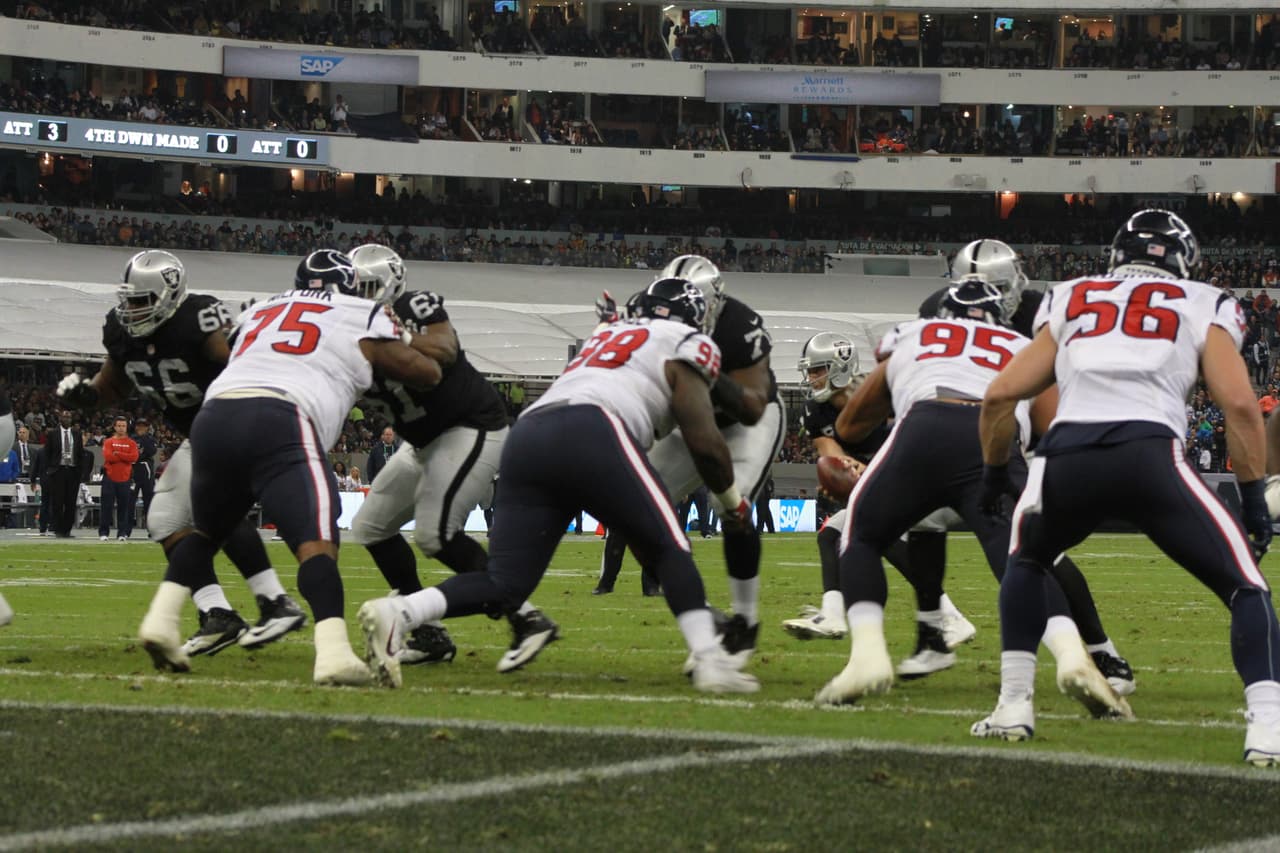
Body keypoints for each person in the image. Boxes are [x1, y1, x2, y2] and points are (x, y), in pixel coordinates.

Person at [974, 210, 1280, 766]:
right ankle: (1269, 728)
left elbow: (999, 395)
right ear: (1186, 259)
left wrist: (996, 473)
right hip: (1149, 454)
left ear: (1117, 254)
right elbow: (1239, 404)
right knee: (1245, 587)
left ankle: (1013, 706)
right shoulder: (1204, 301)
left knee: (1027, 562)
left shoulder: (1070, 295)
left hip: (1068, 457)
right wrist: (1255, 499)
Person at [357, 277, 758, 693]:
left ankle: (400, 613)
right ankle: (709, 659)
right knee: (670, 544)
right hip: (595, 426)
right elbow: (702, 438)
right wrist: (731, 501)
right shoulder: (687, 340)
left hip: (531, 432)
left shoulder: (608, 333)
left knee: (505, 583)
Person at [814, 278, 1126, 713]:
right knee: (1025, 557)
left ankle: (867, 657)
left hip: (924, 428)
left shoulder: (917, 333)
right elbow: (1054, 424)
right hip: (991, 441)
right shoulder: (1020, 345)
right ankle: (1073, 655)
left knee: (860, 536)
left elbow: (849, 425)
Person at [136, 249, 443, 685]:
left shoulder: (262, 307)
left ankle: (161, 620)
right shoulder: (361, 310)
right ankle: (333, 653)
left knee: (209, 531)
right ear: (349, 285)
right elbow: (426, 373)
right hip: (283, 415)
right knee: (317, 543)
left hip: (215, 414)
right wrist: (402, 346)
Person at [57, 249, 306, 655]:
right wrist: (86, 397)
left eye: (142, 301)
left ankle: (275, 601)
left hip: (235, 420)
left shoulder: (199, 318)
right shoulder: (120, 331)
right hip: (202, 432)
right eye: (128, 301)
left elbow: (246, 364)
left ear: (170, 295)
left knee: (215, 510)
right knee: (166, 520)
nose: (132, 310)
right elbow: (113, 386)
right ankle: (218, 613)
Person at [917, 239, 1134, 690]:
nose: (983, 301)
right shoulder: (937, 309)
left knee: (1036, 546)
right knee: (916, 521)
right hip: (974, 436)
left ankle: (1102, 652)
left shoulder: (1043, 313)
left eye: (994, 290)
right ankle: (934, 629)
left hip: (1036, 437)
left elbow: (1051, 403)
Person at [596, 256, 784, 673]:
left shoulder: (738, 324)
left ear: (713, 304)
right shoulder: (645, 309)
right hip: (686, 423)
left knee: (731, 508)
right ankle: (708, 618)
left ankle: (745, 621)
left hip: (743, 423)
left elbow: (753, 406)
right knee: (634, 508)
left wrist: (707, 372)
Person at [346, 244, 515, 667]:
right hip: (419, 442)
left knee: (435, 535)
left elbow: (445, 350)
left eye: (368, 287)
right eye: (354, 287)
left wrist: (400, 336)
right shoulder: (345, 331)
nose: (360, 296)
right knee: (369, 527)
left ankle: (521, 611)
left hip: (465, 428)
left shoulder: (413, 307)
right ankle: (430, 634)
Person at [787, 332, 976, 679]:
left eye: (818, 370)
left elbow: (916, 434)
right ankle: (835, 614)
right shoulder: (815, 410)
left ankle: (948, 617)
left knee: (870, 532)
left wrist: (867, 472)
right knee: (834, 534)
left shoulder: (880, 392)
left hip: (923, 471)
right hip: (885, 476)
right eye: (810, 371)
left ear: (841, 368)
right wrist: (839, 473)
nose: (812, 378)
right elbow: (831, 457)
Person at [98, 416, 138, 541]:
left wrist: (118, 453)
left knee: (124, 508)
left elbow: (134, 457)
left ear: (126, 427)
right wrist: (125, 457)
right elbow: (109, 457)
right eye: (119, 426)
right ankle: (104, 533)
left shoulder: (131, 443)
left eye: (123, 426)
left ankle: (122, 533)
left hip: (125, 479)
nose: (121, 428)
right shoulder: (108, 441)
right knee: (106, 507)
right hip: (109, 478)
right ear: (114, 427)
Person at [43, 409, 82, 538]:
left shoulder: (76, 434)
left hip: (72, 470)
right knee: (57, 502)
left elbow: (80, 453)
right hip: (57, 470)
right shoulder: (53, 434)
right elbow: (47, 453)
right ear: (60, 418)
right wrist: (49, 470)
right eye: (65, 417)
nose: (67, 419)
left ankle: (67, 529)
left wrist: (80, 472)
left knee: (71, 502)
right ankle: (58, 529)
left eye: (69, 417)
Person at [132, 418, 157, 529]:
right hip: (133, 471)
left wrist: (144, 438)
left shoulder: (150, 439)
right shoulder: (131, 439)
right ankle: (126, 529)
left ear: (147, 428)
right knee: (130, 499)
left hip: (146, 472)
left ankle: (151, 527)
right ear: (136, 427)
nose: (141, 428)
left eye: (144, 426)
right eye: (139, 425)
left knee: (149, 499)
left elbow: (151, 451)